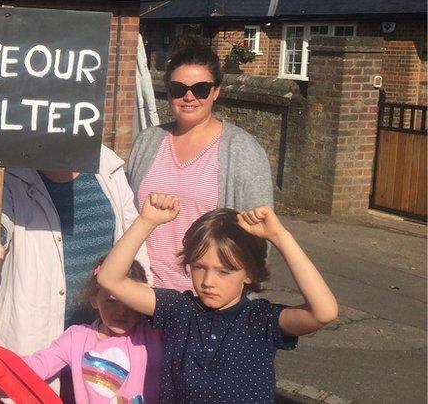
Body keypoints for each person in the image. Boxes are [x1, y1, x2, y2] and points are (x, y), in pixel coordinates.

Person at [97, 196, 338, 404]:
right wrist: (146, 221)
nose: (208, 281)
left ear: (250, 273)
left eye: (225, 271)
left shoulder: (261, 320)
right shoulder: (177, 310)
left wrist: (280, 236)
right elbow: (110, 279)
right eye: (199, 267)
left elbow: (323, 312)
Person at [0, 148, 150, 361]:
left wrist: (144, 302)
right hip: (40, 333)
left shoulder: (107, 164)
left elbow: (134, 239)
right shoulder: (11, 170)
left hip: (106, 329)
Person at [126, 45, 273, 292]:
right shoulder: (146, 142)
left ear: (216, 91)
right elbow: (126, 215)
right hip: (142, 294)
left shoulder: (243, 150)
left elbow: (258, 238)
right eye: (178, 89)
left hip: (205, 299)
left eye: (201, 89)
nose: (189, 97)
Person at [23, 257, 161, 404]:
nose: (122, 311)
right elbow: (37, 366)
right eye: (111, 301)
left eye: (129, 301)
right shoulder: (76, 338)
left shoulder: (153, 335)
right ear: (94, 300)